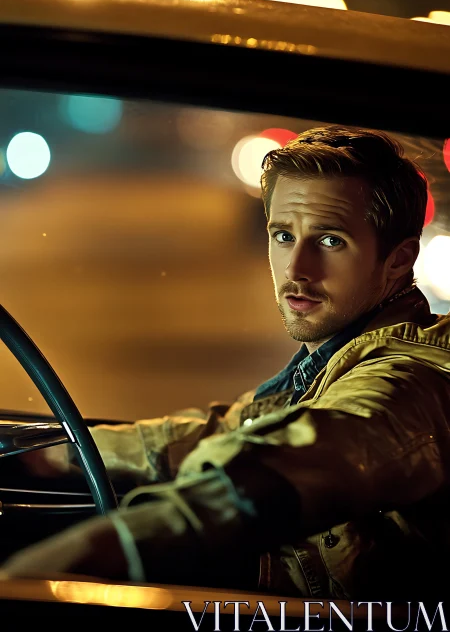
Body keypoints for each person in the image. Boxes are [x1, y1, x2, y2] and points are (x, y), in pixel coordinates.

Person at [3, 125, 450, 599]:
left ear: (399, 262)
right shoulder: (330, 359)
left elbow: (321, 449)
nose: (296, 269)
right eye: (282, 235)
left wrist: (103, 549)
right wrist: (51, 456)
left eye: (330, 241)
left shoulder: (411, 377)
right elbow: (219, 432)